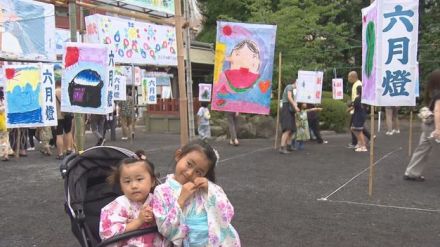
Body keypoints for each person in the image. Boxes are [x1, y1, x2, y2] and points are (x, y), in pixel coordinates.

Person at [152, 140, 241, 246]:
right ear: (178, 155)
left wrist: (210, 188)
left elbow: (227, 213)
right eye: (189, 164)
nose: (190, 173)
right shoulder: (162, 191)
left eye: (198, 172)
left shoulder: (205, 189)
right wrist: (181, 200)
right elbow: (166, 230)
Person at [99, 154, 165, 246]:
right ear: (121, 186)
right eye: (127, 181)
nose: (134, 186)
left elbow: (170, 221)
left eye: (139, 179)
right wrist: (138, 222)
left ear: (152, 181)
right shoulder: (119, 205)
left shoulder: (159, 200)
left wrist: (156, 218)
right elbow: (107, 233)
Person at [404, 69, 440, 181]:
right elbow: (438, 111)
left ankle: (411, 173)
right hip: (435, 125)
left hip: (427, 125)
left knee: (422, 149)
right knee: (423, 149)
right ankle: (411, 172)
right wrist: (438, 129)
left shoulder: (432, 92)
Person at [347, 71, 371, 148]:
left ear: (353, 77)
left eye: (349, 77)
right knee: (357, 127)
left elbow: (358, 99)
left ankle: (359, 143)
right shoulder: (356, 84)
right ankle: (362, 141)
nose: (348, 79)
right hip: (357, 109)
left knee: (355, 127)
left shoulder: (358, 84)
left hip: (358, 110)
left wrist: (351, 107)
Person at [279, 80, 300, 154]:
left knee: (292, 129)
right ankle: (282, 147)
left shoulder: (293, 91)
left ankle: (289, 145)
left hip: (290, 111)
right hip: (286, 109)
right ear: (296, 82)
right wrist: (295, 105)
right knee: (287, 129)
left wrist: (295, 108)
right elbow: (289, 97)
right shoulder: (289, 86)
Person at [55, 80, 74, 159]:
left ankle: (60, 154)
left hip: (58, 116)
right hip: (67, 115)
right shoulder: (66, 91)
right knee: (68, 132)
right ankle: (69, 149)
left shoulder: (54, 92)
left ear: (56, 84)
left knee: (59, 134)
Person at [347, 86, 368, 152]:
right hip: (362, 115)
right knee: (353, 128)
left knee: (359, 131)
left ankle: (363, 146)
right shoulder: (365, 98)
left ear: (358, 91)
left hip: (358, 115)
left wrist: (348, 110)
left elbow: (353, 106)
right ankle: (359, 143)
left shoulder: (358, 98)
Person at [0, 90, 10, 161]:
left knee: (2, 140)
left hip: (2, 124)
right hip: (6, 123)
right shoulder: (5, 102)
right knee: (6, 139)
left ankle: (4, 154)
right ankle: (6, 153)